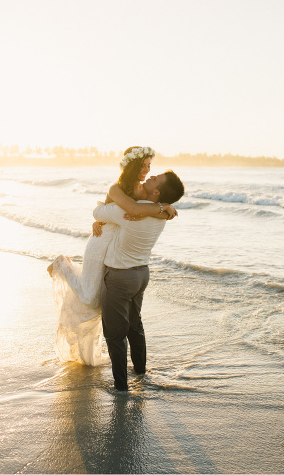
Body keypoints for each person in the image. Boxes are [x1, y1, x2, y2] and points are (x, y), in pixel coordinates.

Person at [48, 146, 177, 366]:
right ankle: (62, 264)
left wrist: (166, 206)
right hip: (100, 243)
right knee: (90, 298)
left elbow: (151, 203)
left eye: (149, 166)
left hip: (116, 248)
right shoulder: (116, 188)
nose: (147, 171)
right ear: (132, 165)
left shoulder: (145, 191)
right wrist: (162, 208)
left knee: (100, 302)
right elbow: (133, 210)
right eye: (143, 166)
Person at [93, 169, 185, 391]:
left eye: (155, 179)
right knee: (135, 324)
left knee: (115, 334)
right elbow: (164, 209)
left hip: (119, 276)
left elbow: (98, 212)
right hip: (141, 274)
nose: (150, 176)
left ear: (156, 192)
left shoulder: (125, 212)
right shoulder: (160, 215)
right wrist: (166, 208)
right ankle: (141, 371)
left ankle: (121, 387)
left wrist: (114, 192)